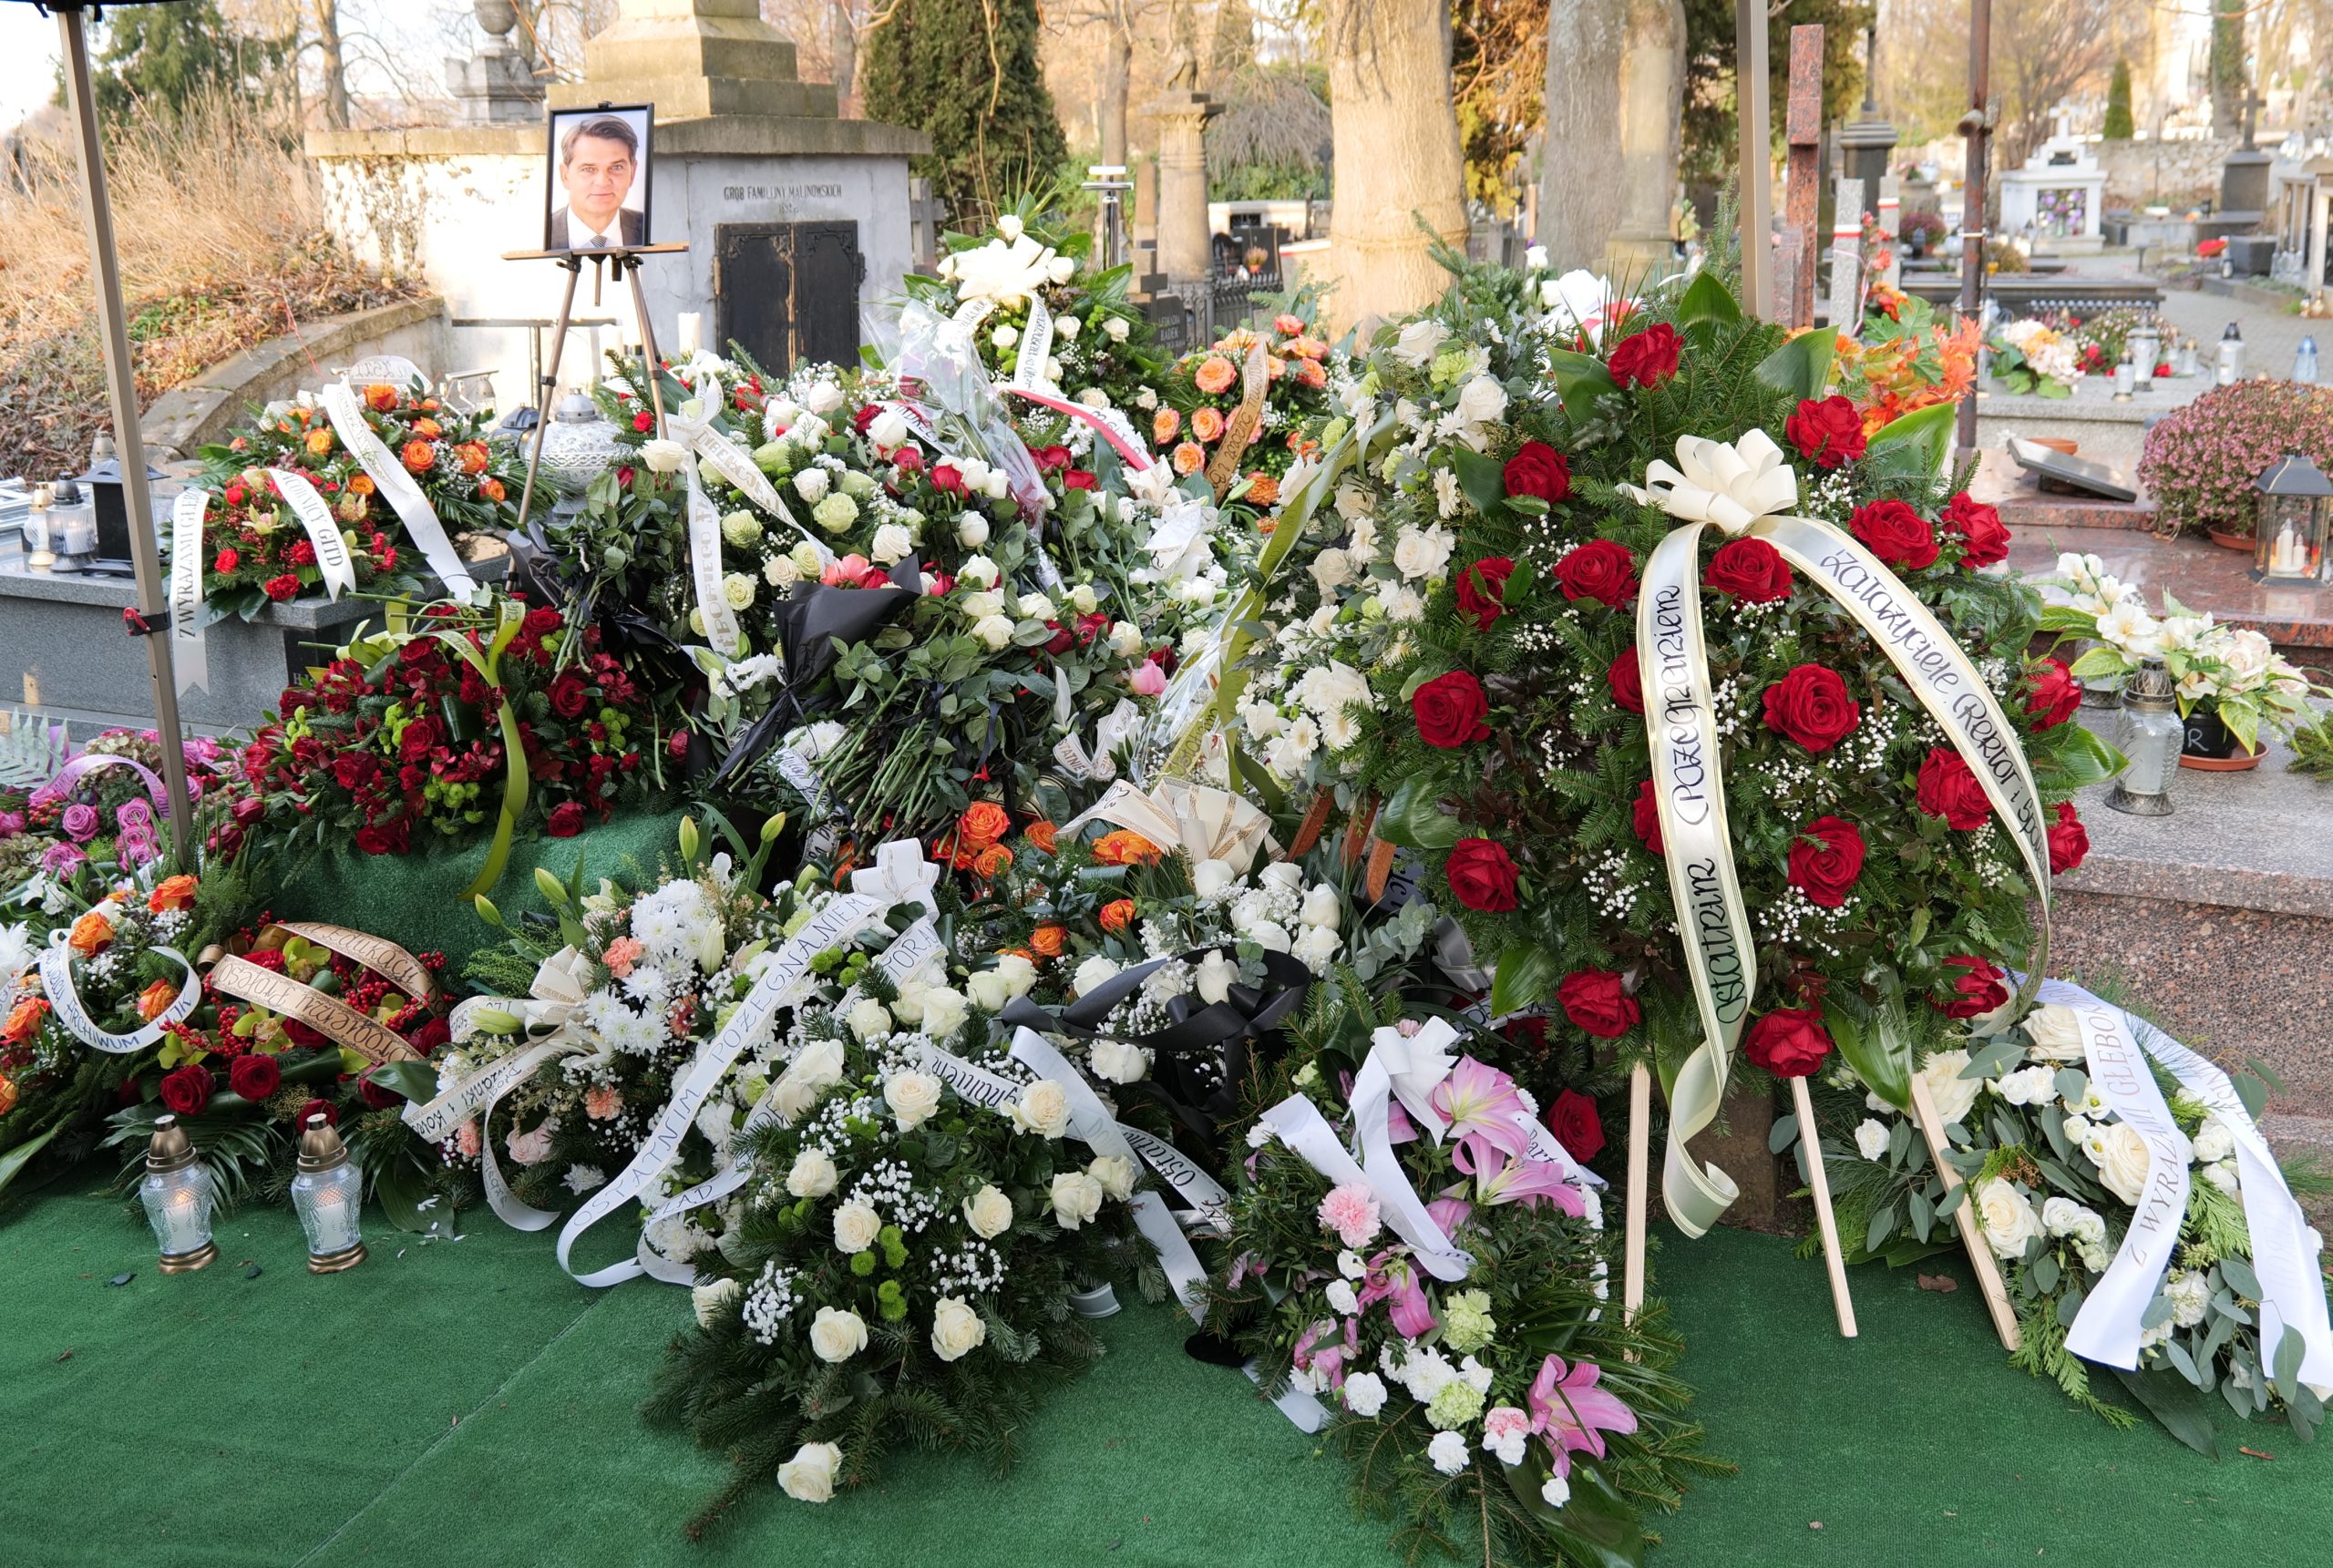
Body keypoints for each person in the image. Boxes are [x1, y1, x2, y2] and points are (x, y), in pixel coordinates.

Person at [549, 115, 644, 251]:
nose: (603, 182)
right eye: (588, 169)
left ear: (632, 173)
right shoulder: (538, 234)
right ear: (565, 176)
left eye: (616, 167)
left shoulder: (652, 229)